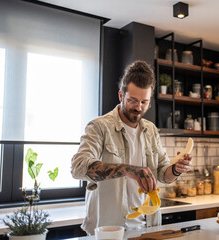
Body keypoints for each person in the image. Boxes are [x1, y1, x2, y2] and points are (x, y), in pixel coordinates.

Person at [71, 60, 192, 235]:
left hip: (146, 228)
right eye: (133, 101)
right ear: (121, 96)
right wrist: (129, 170)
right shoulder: (99, 127)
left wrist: (176, 169)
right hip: (107, 231)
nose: (138, 107)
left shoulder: (151, 130)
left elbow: (163, 174)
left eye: (144, 102)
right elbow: (78, 168)